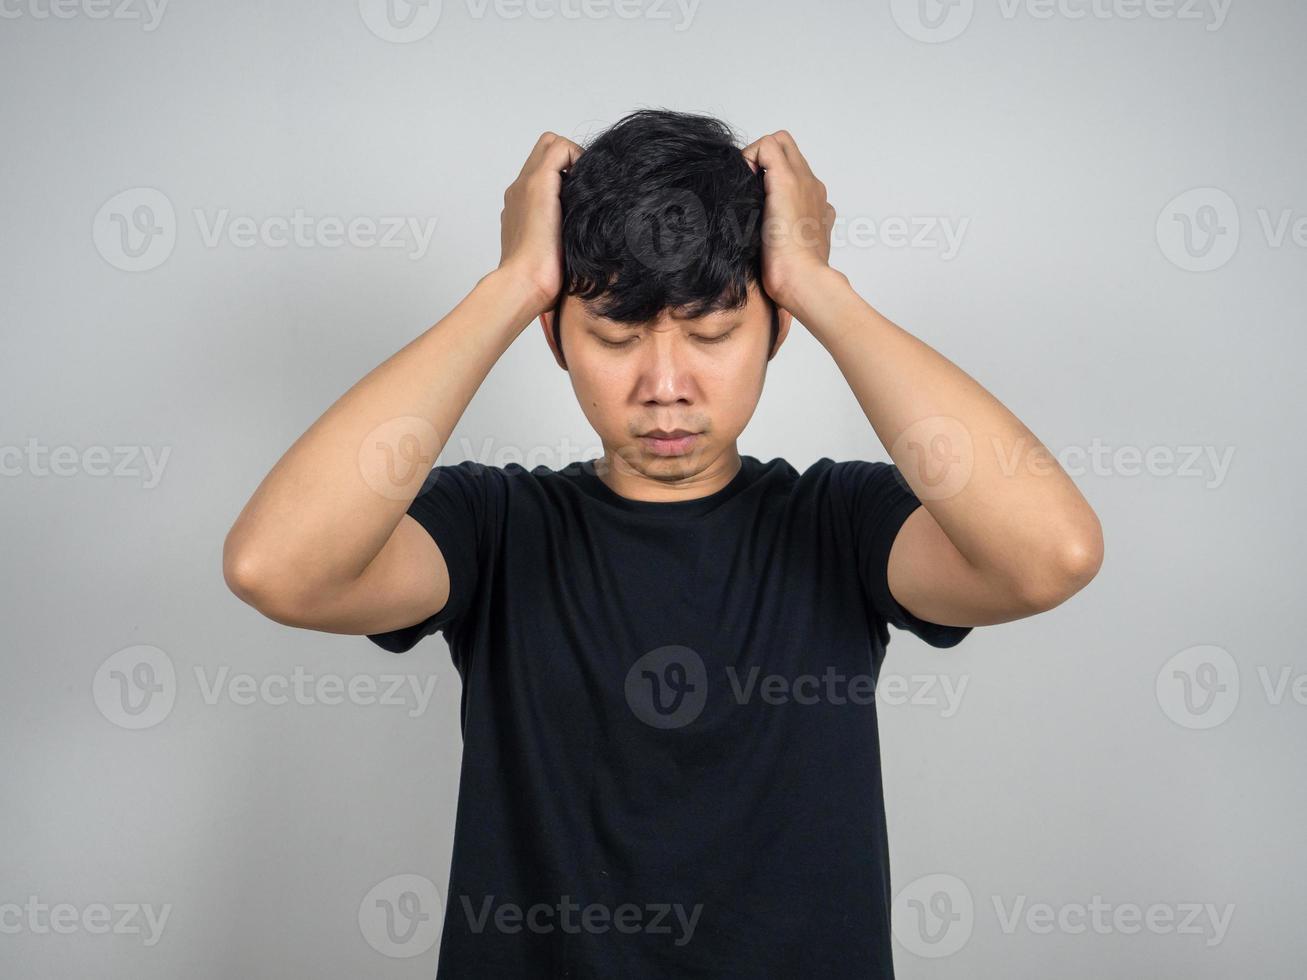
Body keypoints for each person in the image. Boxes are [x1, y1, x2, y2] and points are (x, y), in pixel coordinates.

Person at [222, 108, 1104, 978]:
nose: (666, 386)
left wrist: (816, 284)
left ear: (776, 327)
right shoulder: (492, 530)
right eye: (614, 336)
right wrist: (511, 285)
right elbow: (278, 570)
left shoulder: (841, 522)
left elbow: (1049, 557)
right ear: (555, 335)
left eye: (714, 334)